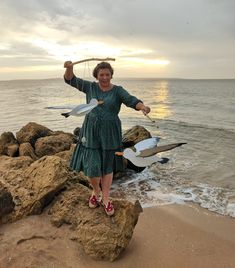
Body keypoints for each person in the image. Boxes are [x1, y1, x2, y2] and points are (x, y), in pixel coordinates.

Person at [64, 61, 150, 216]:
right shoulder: (90, 87)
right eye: (101, 75)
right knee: (92, 166)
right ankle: (95, 191)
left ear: (111, 75)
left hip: (110, 132)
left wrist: (142, 107)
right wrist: (69, 68)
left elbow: (132, 100)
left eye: (107, 74)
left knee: (108, 166)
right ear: (96, 75)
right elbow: (70, 79)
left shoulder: (118, 91)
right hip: (91, 130)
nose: (104, 77)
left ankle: (105, 198)